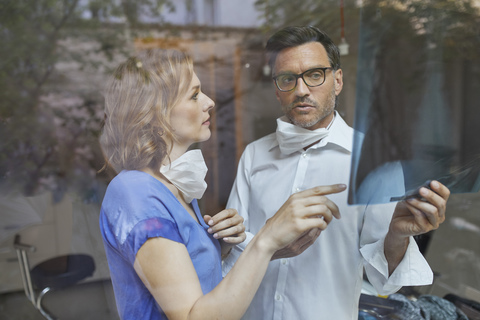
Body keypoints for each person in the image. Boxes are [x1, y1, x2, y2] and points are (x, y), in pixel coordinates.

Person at [98, 48, 347, 320]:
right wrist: (266, 240)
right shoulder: (136, 193)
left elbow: (195, 282)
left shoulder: (174, 189)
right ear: (155, 114)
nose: (209, 102)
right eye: (194, 95)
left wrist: (222, 245)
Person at [222, 26, 451, 320]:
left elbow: (384, 281)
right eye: (287, 79)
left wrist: (396, 237)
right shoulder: (254, 155)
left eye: (315, 75)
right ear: (277, 90)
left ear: (338, 80)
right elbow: (230, 253)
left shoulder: (376, 160)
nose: (301, 90)